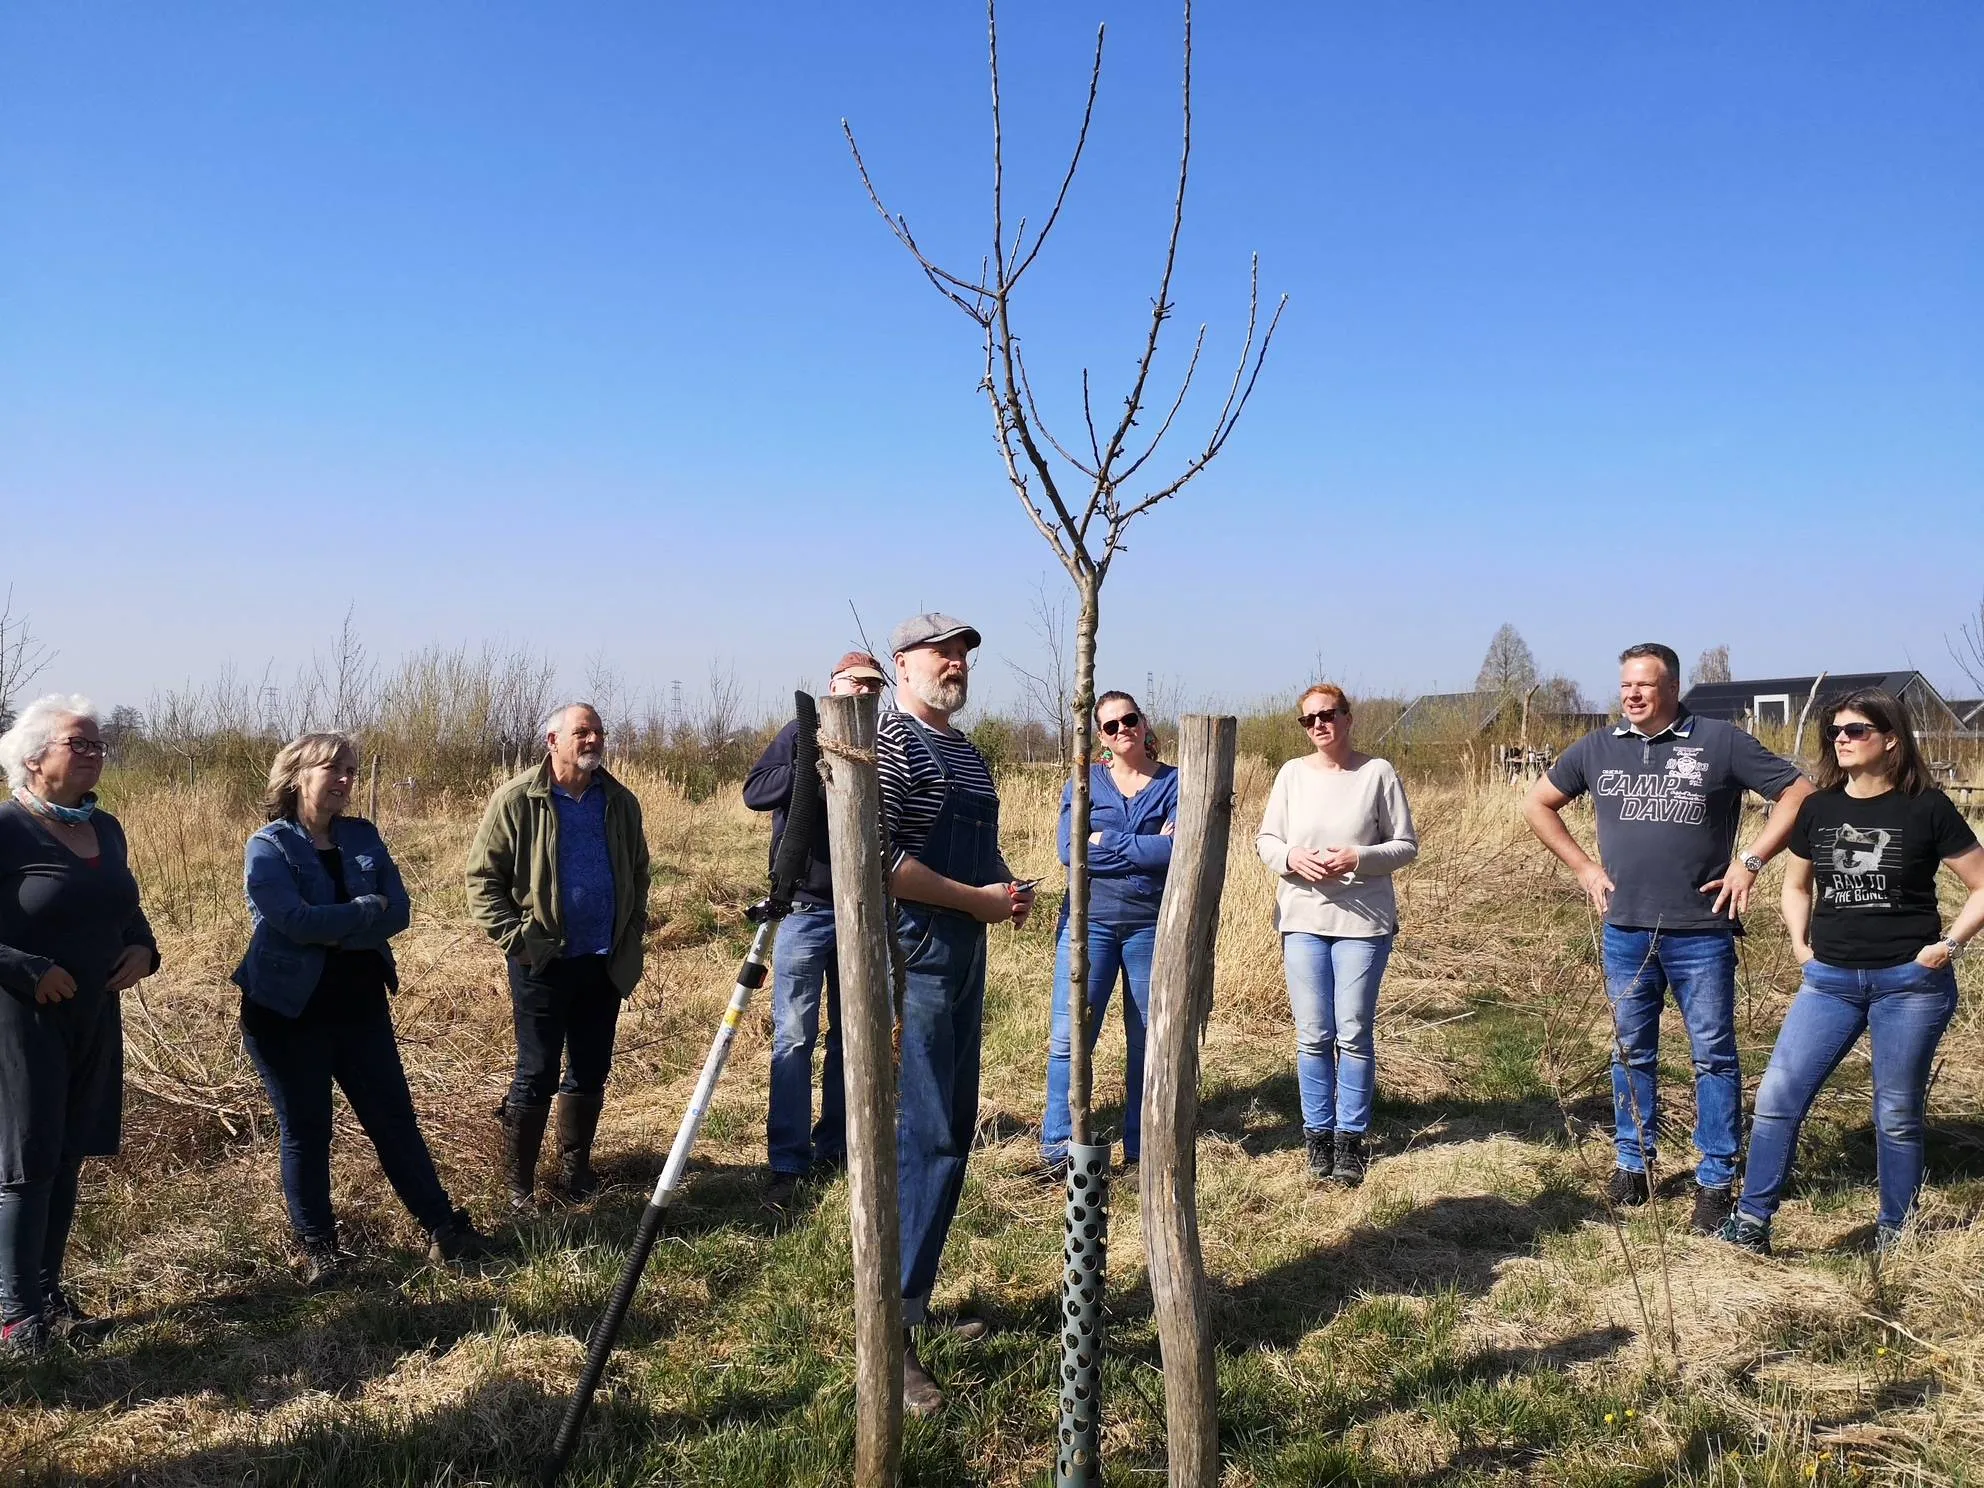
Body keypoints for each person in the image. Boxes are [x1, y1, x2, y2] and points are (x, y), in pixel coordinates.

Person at [1524, 642, 1815, 1234]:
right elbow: (1539, 803)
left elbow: (1799, 794)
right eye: (1626, 685)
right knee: (1631, 1051)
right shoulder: (1599, 747)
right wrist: (1583, 867)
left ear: (1672, 689)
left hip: (1701, 931)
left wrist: (1751, 862)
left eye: (1645, 686)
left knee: (1712, 1055)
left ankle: (1715, 1177)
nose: (1632, 695)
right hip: (1626, 928)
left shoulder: (1720, 742)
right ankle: (1634, 1163)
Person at [1721, 689, 1984, 1257]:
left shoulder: (1928, 807)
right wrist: (1799, 945)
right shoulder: (1819, 808)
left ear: (1890, 739)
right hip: (1830, 982)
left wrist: (1947, 946)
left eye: (1856, 730)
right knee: (1778, 1096)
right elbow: (1795, 886)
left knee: (1894, 1111)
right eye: (1835, 730)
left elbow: (1982, 886)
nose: (1841, 738)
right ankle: (1750, 1222)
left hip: (1910, 984)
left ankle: (1896, 1231)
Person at [235, 732, 489, 1282]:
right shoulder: (269, 846)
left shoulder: (362, 836)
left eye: (352, 770)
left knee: (394, 1119)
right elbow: (293, 922)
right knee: (307, 1128)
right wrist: (359, 915)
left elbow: (398, 912)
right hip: (287, 1013)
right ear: (298, 774)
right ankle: (318, 1249)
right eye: (335, 769)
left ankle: (444, 1228)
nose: (347, 781)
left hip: (360, 1005)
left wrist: (337, 925)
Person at [876, 613, 1035, 1418]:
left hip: (965, 946)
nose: (956, 664)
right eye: (942, 653)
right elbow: (887, 861)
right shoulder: (894, 744)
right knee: (927, 1130)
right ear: (902, 665)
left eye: (964, 654)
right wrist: (976, 900)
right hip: (919, 953)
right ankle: (889, 1334)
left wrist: (1005, 887)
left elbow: (977, 849)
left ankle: (914, 1303)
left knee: (956, 1125)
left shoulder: (966, 755)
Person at [0, 696, 157, 1354]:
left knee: (66, 1157)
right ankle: (13, 1317)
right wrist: (27, 969)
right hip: (21, 1019)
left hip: (93, 1015)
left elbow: (124, 907)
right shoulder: (7, 830)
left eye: (98, 744)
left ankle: (48, 1296)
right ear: (34, 759)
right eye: (78, 743)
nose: (94, 753)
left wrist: (144, 949)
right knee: (27, 1161)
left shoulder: (107, 830)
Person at [469, 704, 651, 1213]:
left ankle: (576, 1173)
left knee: (591, 1069)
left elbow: (639, 872)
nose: (592, 740)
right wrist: (519, 942)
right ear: (552, 740)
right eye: (581, 732)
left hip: (603, 961)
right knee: (538, 1070)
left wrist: (631, 933)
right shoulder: (517, 800)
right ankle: (518, 1188)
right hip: (543, 962)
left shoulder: (618, 800)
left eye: (597, 732)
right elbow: (483, 881)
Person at [1256, 684, 1419, 1186]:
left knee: (1352, 1032)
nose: (1319, 725)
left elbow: (1405, 845)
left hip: (1362, 924)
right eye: (1308, 720)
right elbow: (1266, 839)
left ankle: (1351, 1139)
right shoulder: (1290, 775)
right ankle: (1317, 1137)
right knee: (1312, 1035)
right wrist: (1289, 858)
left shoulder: (1377, 773)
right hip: (1303, 920)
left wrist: (1358, 857)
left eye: (1328, 715)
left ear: (1348, 718)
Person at [744, 651, 888, 1206]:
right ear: (833, 685)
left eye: (873, 687)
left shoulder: (884, 737)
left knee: (851, 1037)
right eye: (855, 684)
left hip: (866, 910)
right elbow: (756, 792)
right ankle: (787, 1161)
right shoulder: (802, 732)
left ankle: (837, 1145)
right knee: (795, 1036)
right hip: (805, 908)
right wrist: (810, 764)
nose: (864, 694)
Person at [1039, 690, 1177, 1180]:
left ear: (1144, 722)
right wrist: (1144, 847)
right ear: (1099, 736)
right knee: (1072, 1038)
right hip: (1087, 924)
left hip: (1149, 926)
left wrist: (1106, 841)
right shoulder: (1083, 783)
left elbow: (1175, 853)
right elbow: (1068, 851)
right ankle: (1060, 1148)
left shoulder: (1176, 783)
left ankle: (1142, 1146)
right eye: (1111, 726)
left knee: (1147, 1038)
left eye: (1130, 720)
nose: (1123, 731)